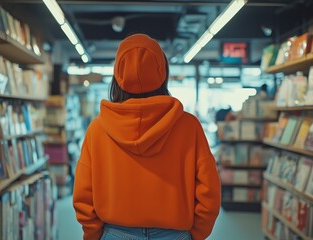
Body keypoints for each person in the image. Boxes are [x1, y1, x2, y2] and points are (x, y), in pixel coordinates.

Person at [73, 34, 221, 240]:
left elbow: (83, 195)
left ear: (117, 76)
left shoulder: (98, 129)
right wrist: (195, 234)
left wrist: (93, 234)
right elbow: (209, 191)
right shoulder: (188, 126)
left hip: (116, 233)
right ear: (163, 72)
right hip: (174, 235)